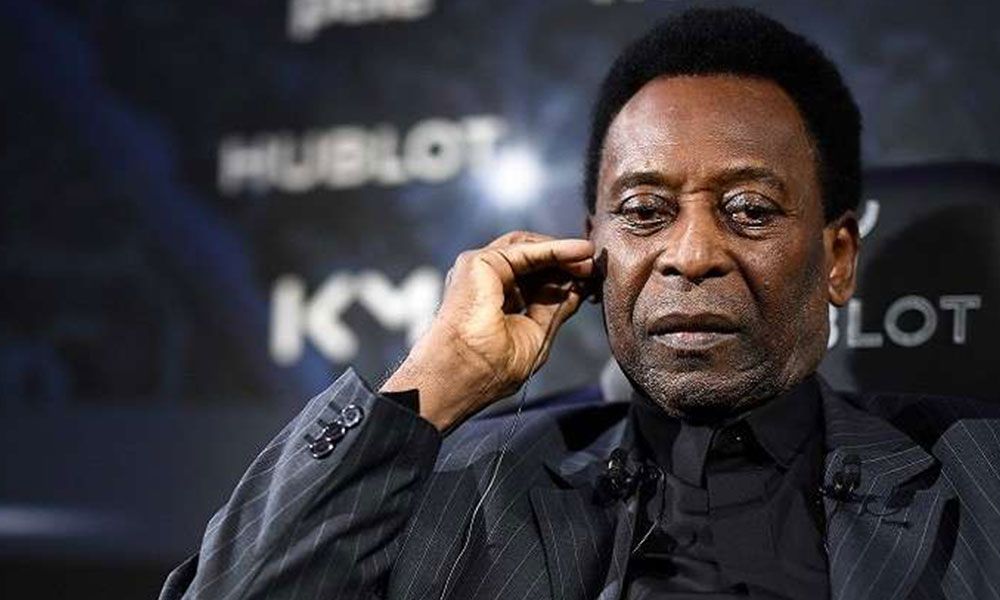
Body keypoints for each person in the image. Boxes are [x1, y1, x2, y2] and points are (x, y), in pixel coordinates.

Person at [160, 8, 1000, 600]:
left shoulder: (981, 474)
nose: (692, 254)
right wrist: (434, 380)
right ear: (592, 249)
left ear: (838, 258)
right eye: (645, 212)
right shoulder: (451, 486)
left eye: (748, 210)